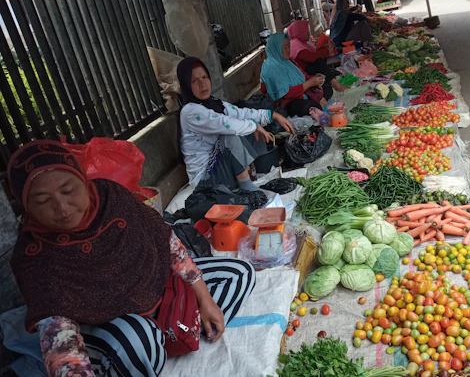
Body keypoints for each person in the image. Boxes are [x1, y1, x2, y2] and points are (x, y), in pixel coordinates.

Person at [7, 140, 257, 377]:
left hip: (159, 290)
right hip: (110, 323)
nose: (62, 207)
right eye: (42, 201)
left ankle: (169, 336)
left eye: (69, 190)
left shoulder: (111, 198)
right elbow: (58, 334)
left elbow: (166, 239)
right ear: (26, 206)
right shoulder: (35, 253)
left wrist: (205, 300)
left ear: (83, 180)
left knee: (239, 272)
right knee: (137, 340)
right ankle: (158, 342)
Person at [178, 57, 295, 190]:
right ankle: (248, 189)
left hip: (219, 167)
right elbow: (226, 124)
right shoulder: (191, 111)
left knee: (248, 127)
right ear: (186, 85)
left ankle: (260, 171)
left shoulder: (214, 103)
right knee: (232, 136)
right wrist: (254, 125)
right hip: (205, 180)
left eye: (204, 77)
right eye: (194, 81)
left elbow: (239, 113)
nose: (202, 83)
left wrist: (271, 115)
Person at [260, 33, 330, 117]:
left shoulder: (288, 61)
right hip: (286, 103)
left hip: (301, 94)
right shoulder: (271, 66)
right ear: (276, 48)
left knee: (327, 88)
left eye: (289, 46)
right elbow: (286, 94)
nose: (288, 50)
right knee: (309, 106)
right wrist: (309, 83)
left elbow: (303, 75)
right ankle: (319, 104)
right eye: (285, 47)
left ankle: (320, 102)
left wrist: (315, 79)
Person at [287, 20, 349, 93]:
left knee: (321, 60)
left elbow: (315, 52)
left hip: (309, 70)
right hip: (303, 74)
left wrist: (324, 48)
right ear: (300, 31)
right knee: (318, 61)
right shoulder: (294, 44)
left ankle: (330, 81)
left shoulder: (302, 43)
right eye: (306, 30)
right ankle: (337, 86)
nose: (308, 33)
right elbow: (310, 57)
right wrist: (325, 51)